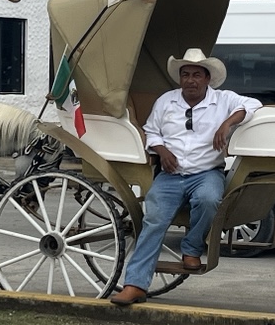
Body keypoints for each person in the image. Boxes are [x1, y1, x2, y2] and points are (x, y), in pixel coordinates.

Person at [111, 47, 260, 307]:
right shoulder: (166, 101)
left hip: (206, 173)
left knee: (210, 199)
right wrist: (161, 150)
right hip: (170, 175)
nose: (190, 80)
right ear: (180, 78)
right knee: (154, 220)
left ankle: (191, 248)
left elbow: (252, 104)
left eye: (196, 75)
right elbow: (151, 131)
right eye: (185, 74)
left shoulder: (222, 100)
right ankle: (134, 284)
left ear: (207, 78)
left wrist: (227, 123)